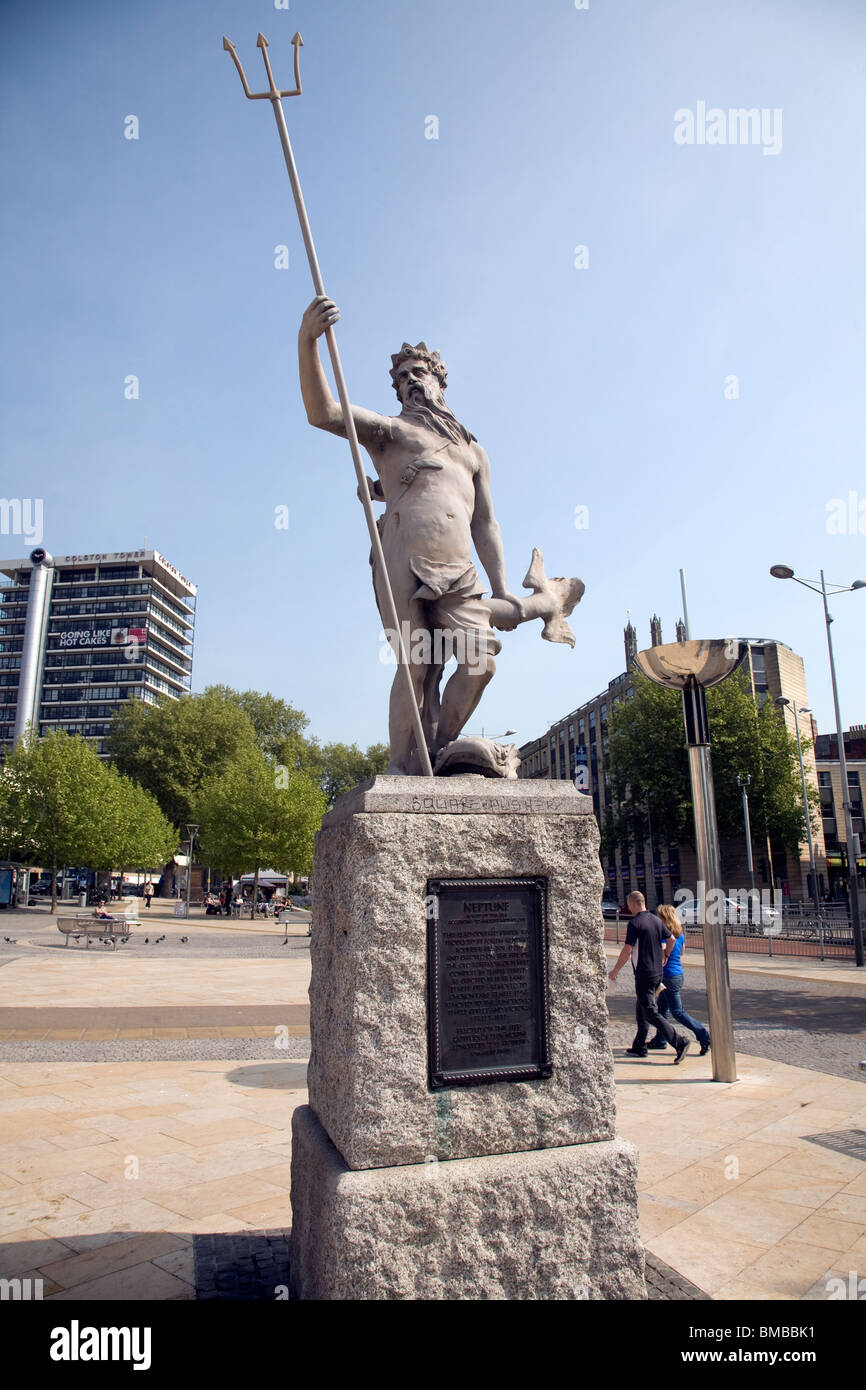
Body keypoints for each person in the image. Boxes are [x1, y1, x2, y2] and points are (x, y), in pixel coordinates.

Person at [298, 296, 582, 773]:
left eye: (417, 373)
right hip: (403, 556)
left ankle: (436, 749)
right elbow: (323, 411)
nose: (409, 381)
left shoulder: (473, 451)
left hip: (459, 570)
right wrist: (308, 341)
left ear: (439, 381)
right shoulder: (390, 432)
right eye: (401, 377)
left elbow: (485, 522)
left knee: (480, 665)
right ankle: (399, 766)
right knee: (416, 661)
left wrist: (501, 589)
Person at [608, 890, 690, 1064]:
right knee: (642, 1009)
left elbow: (628, 950)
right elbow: (672, 939)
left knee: (650, 1012)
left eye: (629, 905)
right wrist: (665, 956)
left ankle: (679, 1041)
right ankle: (639, 1046)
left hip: (644, 973)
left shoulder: (635, 923)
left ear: (632, 904)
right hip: (657, 972)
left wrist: (615, 971)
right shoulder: (655, 920)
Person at [646, 904, 711, 1056]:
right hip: (677, 973)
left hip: (668, 976)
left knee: (678, 1012)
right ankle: (660, 1040)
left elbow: (662, 955)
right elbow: (682, 952)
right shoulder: (680, 932)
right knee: (661, 1010)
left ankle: (704, 1036)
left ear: (664, 918)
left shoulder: (665, 934)